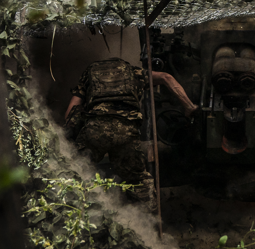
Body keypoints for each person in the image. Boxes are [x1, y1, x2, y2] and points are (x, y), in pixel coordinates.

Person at [65, 57, 197, 207]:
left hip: (95, 129)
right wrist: (189, 106)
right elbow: (166, 77)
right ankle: (148, 223)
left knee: (75, 172)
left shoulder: (89, 75)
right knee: (137, 181)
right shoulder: (134, 72)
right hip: (127, 130)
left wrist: (70, 136)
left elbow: (71, 111)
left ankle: (72, 215)